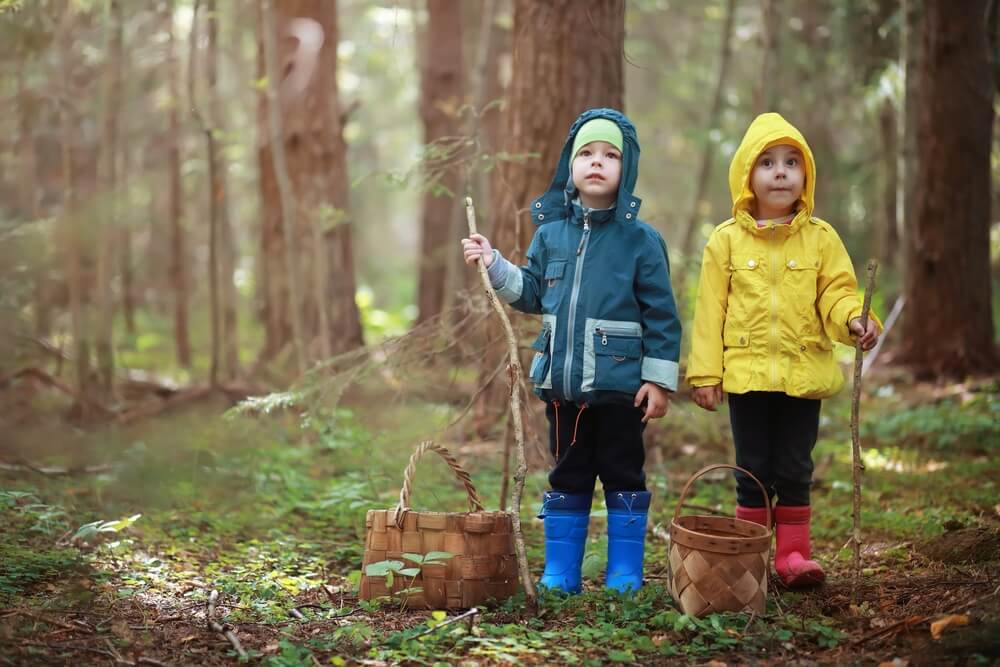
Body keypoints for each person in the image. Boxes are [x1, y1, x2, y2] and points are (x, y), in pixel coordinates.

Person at [460, 108, 681, 593]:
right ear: (570, 166)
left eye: (609, 155)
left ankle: (624, 572)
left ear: (627, 170)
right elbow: (533, 293)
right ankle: (562, 572)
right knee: (568, 474)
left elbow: (662, 315)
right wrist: (495, 264)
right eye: (586, 153)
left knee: (624, 473)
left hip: (624, 390)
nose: (596, 162)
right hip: (562, 389)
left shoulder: (641, 241)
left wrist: (659, 380)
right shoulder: (551, 234)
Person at [687, 112, 881, 587]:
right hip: (748, 377)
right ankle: (750, 559)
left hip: (802, 374)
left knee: (795, 466)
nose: (780, 171)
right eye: (767, 162)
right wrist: (705, 374)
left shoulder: (821, 238)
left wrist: (855, 319)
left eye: (791, 162)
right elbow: (709, 310)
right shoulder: (726, 241)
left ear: (805, 175)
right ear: (746, 176)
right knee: (751, 468)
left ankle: (793, 557)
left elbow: (836, 292)